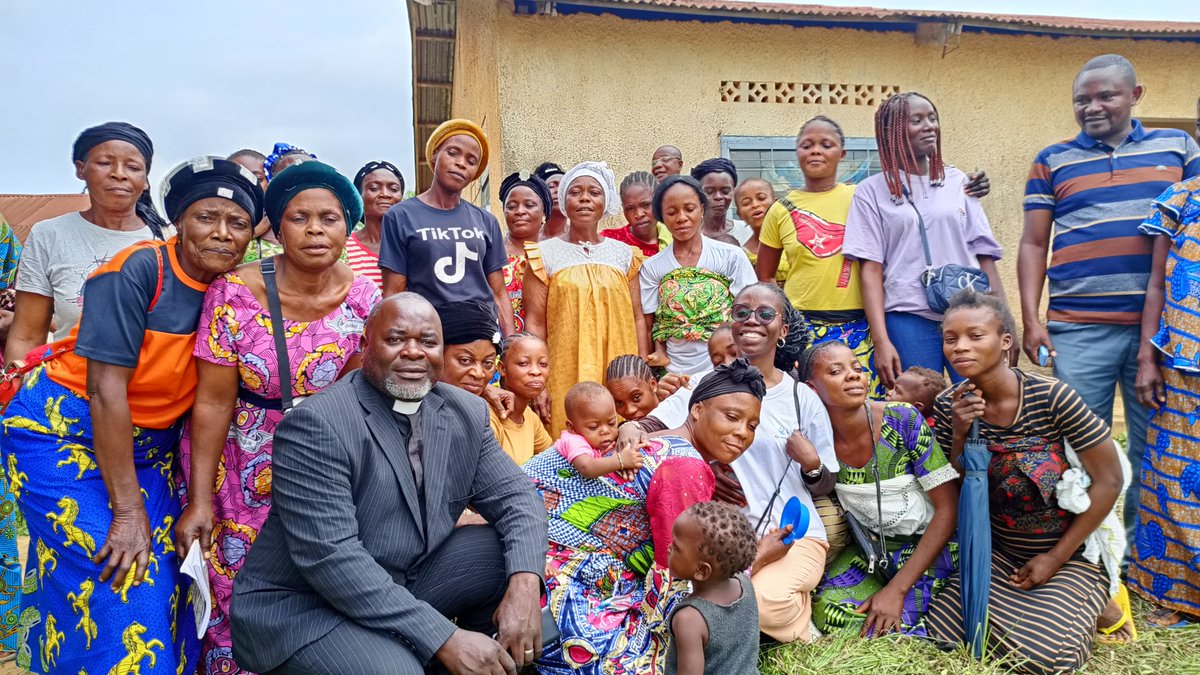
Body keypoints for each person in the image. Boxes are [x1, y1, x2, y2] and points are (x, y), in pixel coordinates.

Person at [0, 156, 262, 673]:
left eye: (238, 224)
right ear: (180, 221)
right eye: (207, 217)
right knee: (127, 574)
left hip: (146, 450)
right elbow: (104, 391)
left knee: (176, 579)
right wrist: (126, 512)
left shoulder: (235, 289)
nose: (222, 234)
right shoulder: (138, 270)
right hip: (61, 434)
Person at [230, 293, 548, 674]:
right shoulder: (318, 424)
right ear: (366, 345)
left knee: (503, 553)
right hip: (307, 607)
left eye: (427, 342)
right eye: (396, 339)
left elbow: (518, 498)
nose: (413, 352)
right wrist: (444, 638)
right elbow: (333, 559)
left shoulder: (465, 411)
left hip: (399, 579)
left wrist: (527, 584)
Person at [175, 161, 379, 675]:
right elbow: (214, 401)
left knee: (320, 582)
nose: (314, 229)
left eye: (329, 218)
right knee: (234, 589)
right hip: (238, 463)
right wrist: (201, 498)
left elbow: (360, 399)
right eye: (299, 217)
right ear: (278, 227)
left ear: (347, 225)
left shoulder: (364, 298)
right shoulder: (236, 293)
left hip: (323, 463)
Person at [1019, 55, 1200, 551]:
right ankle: (1083, 555)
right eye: (1083, 99)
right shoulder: (1051, 159)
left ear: (1135, 95)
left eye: (1106, 96)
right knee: (1080, 449)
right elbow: (1034, 243)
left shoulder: (1178, 147)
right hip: (1077, 327)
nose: (1093, 107)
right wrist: (1032, 318)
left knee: (1155, 448)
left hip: (1163, 333)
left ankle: (1143, 557)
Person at [925, 291, 1127, 674]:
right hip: (996, 552)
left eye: (975, 335)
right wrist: (961, 433)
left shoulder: (1052, 397)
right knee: (946, 630)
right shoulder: (950, 403)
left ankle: (1099, 600)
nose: (960, 347)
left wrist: (1054, 558)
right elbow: (957, 489)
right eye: (951, 339)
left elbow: (1110, 480)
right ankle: (1054, 611)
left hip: (1067, 554)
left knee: (1045, 658)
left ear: (1005, 342)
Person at [524, 359, 765, 674]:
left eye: (751, 426)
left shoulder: (660, 439)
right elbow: (672, 571)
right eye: (732, 417)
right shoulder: (685, 467)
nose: (741, 432)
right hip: (568, 585)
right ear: (697, 410)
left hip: (536, 558)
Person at [640, 283, 838, 643]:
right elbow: (653, 429)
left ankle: (797, 622)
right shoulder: (703, 383)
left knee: (756, 602)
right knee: (717, 604)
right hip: (723, 538)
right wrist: (706, 462)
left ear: (783, 329)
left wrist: (811, 464)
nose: (752, 321)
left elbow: (826, 481)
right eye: (741, 312)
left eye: (765, 314)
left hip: (790, 535)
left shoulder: (801, 398)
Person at [843, 94, 1006, 387]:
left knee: (979, 398)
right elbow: (870, 271)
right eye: (916, 121)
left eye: (932, 118)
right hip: (908, 317)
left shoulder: (960, 182)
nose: (929, 126)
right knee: (921, 403)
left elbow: (984, 255)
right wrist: (881, 341)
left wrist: (1004, 319)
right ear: (892, 131)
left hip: (969, 312)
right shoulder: (870, 192)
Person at [801, 342, 959, 637]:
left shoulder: (903, 419)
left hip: (932, 547)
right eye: (837, 371)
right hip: (875, 551)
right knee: (828, 610)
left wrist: (896, 591)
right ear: (811, 388)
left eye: (857, 368)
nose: (853, 376)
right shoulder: (813, 441)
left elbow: (949, 509)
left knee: (895, 616)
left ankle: (924, 617)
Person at [6, 122, 165, 365]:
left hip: (158, 395)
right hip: (67, 391)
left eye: (133, 167)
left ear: (145, 180)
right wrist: (14, 394)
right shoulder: (50, 235)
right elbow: (27, 336)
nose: (119, 173)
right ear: (81, 169)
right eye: (104, 163)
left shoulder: (171, 238)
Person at [523, 161, 650, 435]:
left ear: (606, 202)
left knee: (623, 440)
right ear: (564, 200)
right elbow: (534, 323)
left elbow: (638, 316)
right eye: (575, 191)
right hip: (564, 366)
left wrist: (641, 371)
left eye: (594, 192)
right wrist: (538, 382)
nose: (584, 198)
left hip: (619, 366)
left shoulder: (624, 254)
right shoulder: (544, 254)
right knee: (569, 440)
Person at [1130, 175, 1200, 627]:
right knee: (1172, 478)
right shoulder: (1182, 197)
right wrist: (1147, 358)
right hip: (1180, 363)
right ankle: (1174, 594)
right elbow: (1157, 284)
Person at [379, 119, 515, 337]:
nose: (461, 163)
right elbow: (394, 293)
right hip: (428, 336)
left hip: (481, 338)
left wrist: (510, 345)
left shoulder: (486, 221)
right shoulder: (401, 216)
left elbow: (499, 293)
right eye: (453, 153)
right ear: (435, 155)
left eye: (471, 161)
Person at [641, 175, 756, 375]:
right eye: (671, 212)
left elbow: (748, 309)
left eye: (689, 208)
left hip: (725, 366)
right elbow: (651, 322)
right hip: (674, 372)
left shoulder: (730, 256)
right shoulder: (653, 267)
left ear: (702, 209)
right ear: (661, 217)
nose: (681, 218)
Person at [665, 501, 760, 675]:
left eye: (676, 547)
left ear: (701, 570)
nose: (669, 547)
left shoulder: (689, 619)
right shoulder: (744, 583)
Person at [555, 382, 643, 479]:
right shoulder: (574, 441)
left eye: (611, 423)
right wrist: (620, 460)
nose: (605, 431)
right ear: (572, 427)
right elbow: (586, 468)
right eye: (593, 427)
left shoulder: (595, 439)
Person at [500, 172, 553, 332]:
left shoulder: (554, 254)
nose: (520, 211)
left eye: (529, 205)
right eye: (511, 206)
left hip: (547, 344)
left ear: (544, 212)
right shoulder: (491, 253)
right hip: (500, 345)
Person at [492, 332, 553, 465]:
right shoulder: (489, 417)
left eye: (543, 364)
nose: (536, 372)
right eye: (524, 363)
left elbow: (554, 460)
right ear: (502, 369)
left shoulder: (530, 417)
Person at [348, 160, 405, 289]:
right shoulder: (343, 247)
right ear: (359, 196)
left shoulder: (413, 243)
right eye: (374, 188)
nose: (385, 194)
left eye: (393, 189)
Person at [736, 177, 787, 284]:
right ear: (739, 214)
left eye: (761, 198)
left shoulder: (793, 240)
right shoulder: (741, 255)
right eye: (746, 203)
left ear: (776, 204)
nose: (755, 205)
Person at [227, 149, 275, 262]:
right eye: (240, 179)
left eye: (258, 179)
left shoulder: (282, 219)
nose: (250, 185)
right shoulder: (213, 214)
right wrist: (252, 233)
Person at [603, 171, 666, 257]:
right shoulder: (610, 242)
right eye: (630, 208)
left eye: (646, 205)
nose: (638, 214)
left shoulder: (676, 241)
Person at [689, 158, 743, 246]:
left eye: (725, 191)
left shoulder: (749, 231)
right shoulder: (688, 235)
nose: (718, 197)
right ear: (698, 193)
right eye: (709, 192)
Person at [605, 354, 660, 422]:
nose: (629, 411)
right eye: (618, 403)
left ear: (653, 385)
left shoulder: (675, 418)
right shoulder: (622, 431)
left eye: (636, 398)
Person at [534, 162, 568, 240]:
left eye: (563, 186)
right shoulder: (528, 239)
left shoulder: (581, 238)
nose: (558, 191)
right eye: (551, 186)